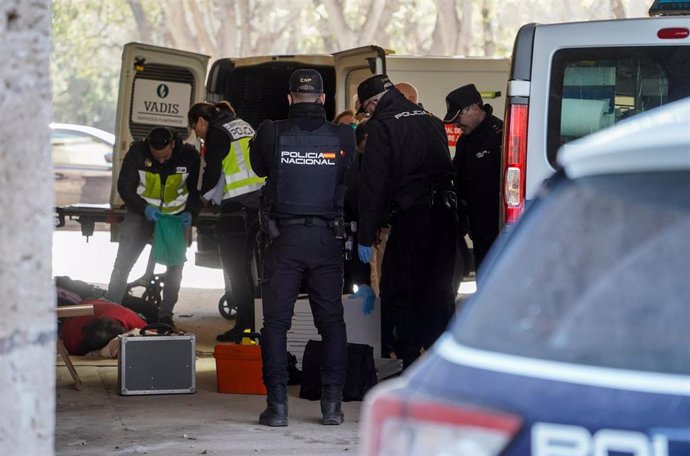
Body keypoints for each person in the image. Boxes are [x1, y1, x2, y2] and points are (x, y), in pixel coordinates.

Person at [249, 69, 356, 427]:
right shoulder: (343, 135)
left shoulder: (271, 132)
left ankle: (277, 407)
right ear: (324, 99)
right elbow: (348, 178)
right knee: (331, 323)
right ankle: (332, 406)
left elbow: (258, 166)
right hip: (327, 239)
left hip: (284, 240)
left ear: (290, 97)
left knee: (276, 324)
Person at [356, 74, 457, 370]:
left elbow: (374, 186)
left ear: (374, 102)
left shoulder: (382, 126)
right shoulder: (431, 118)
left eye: (367, 109)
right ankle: (441, 363)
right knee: (439, 290)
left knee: (401, 290)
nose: (369, 114)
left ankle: (409, 363)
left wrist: (365, 234)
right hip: (445, 217)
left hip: (412, 218)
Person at [105, 126, 201, 326]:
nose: (161, 161)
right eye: (157, 157)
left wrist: (190, 212)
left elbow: (194, 190)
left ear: (173, 144)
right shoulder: (137, 152)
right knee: (123, 263)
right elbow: (125, 187)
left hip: (174, 218)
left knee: (175, 268)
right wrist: (144, 208)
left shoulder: (189, 156)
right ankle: (111, 311)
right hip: (142, 213)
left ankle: (165, 316)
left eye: (165, 156)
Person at [187, 101, 265, 342]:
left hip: (238, 207)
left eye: (195, 128)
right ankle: (254, 322)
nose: (197, 134)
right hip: (258, 204)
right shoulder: (240, 124)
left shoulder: (217, 132)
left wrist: (202, 200)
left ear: (202, 120)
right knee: (252, 268)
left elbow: (212, 171)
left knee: (236, 270)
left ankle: (243, 325)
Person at [443, 84, 502, 273]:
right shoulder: (464, 141)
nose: (456, 125)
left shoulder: (499, 135)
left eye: (459, 117)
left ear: (475, 108)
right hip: (476, 223)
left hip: (497, 222)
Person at [60, 299, 147, 356]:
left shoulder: (131, 318)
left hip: (99, 304)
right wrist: (101, 353)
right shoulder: (73, 341)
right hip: (84, 307)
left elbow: (156, 335)